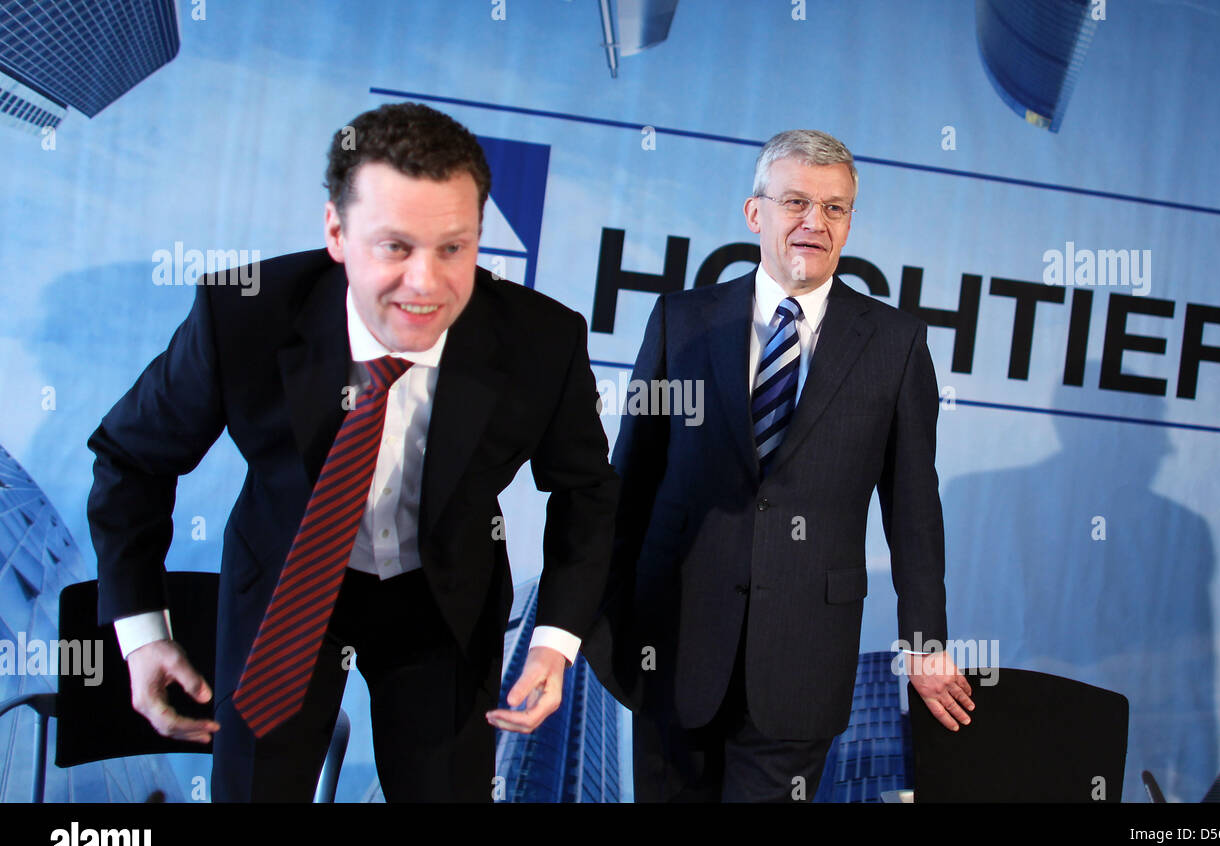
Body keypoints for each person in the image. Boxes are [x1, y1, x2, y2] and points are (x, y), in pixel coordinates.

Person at [87, 102, 619, 802]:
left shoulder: (540, 341)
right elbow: (131, 459)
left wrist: (554, 637)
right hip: (289, 587)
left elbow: (587, 491)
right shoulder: (244, 314)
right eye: (395, 246)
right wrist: (142, 634)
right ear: (337, 232)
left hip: (441, 599)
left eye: (453, 247)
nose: (426, 283)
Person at [583, 130, 973, 802]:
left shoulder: (895, 343)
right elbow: (631, 481)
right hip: (672, 645)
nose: (814, 224)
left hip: (805, 657)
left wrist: (925, 639)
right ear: (754, 213)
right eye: (796, 202)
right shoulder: (683, 321)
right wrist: (596, 622)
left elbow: (913, 507)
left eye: (835, 208)